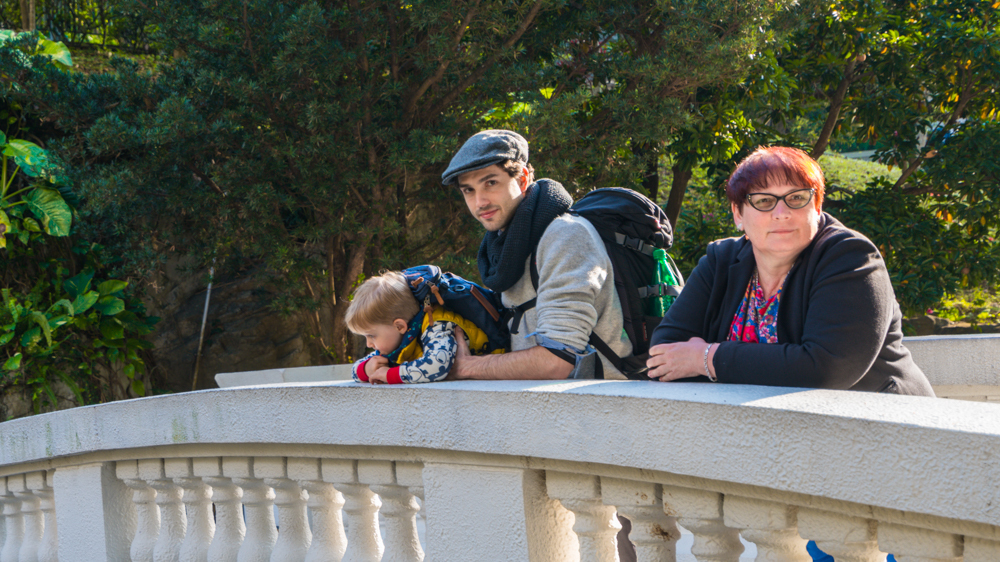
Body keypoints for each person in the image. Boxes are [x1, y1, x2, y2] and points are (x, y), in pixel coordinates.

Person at [645, 146, 934, 397]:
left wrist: (706, 358)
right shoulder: (720, 260)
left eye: (796, 198)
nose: (781, 213)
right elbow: (665, 352)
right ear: (738, 214)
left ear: (817, 206)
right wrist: (782, 365)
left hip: (888, 432)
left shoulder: (850, 258)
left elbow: (827, 370)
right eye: (763, 201)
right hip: (780, 438)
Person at [441, 129, 632, 380]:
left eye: (491, 183)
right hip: (545, 409)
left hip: (600, 408)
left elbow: (558, 359)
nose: (480, 202)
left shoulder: (565, 236)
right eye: (468, 190)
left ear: (522, 179)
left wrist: (466, 367)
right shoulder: (506, 246)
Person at [346, 271, 492, 384]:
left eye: (371, 335)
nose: (369, 344)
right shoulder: (400, 341)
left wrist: (389, 375)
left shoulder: (435, 325)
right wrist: (366, 369)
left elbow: (436, 365)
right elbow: (357, 368)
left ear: (399, 326)